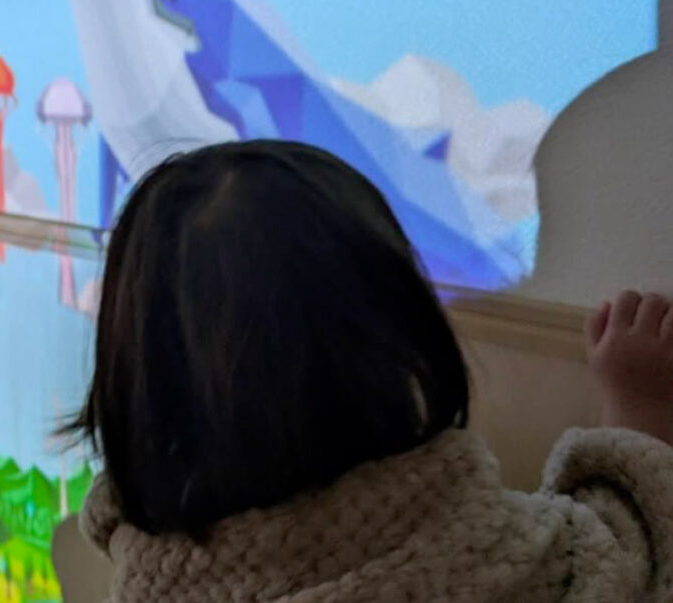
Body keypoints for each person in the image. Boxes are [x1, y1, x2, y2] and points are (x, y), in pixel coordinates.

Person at [63, 140, 673, 601]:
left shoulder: (149, 571)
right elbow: (621, 567)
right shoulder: (463, 549)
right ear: (393, 335)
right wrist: (638, 406)